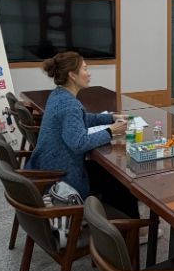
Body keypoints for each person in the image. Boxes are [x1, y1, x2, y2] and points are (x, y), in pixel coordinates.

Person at [26, 51, 138, 217]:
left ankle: (113, 218)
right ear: (72, 75)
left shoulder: (58, 94)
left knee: (110, 175)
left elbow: (82, 118)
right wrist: (111, 131)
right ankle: (128, 226)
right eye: (85, 69)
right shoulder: (69, 105)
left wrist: (111, 117)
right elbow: (79, 143)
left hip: (47, 166)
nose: (89, 73)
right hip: (62, 177)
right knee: (119, 179)